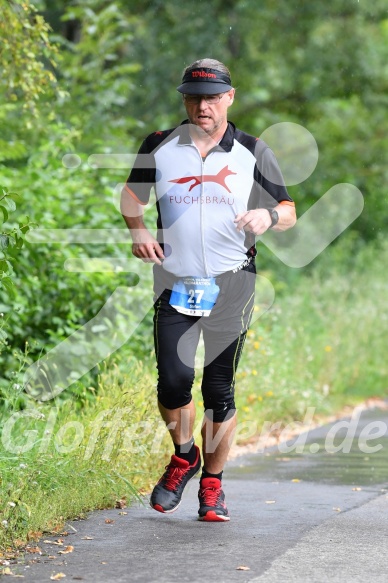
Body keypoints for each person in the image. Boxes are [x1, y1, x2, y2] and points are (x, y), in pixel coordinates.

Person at [121, 58, 296, 522]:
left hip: (233, 283)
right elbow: (131, 195)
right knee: (174, 382)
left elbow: (289, 209)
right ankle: (185, 455)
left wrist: (269, 216)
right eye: (195, 97)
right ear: (184, 98)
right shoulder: (159, 145)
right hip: (175, 283)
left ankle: (213, 486)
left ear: (229, 98)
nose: (203, 106)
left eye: (213, 97)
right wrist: (137, 228)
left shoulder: (253, 151)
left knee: (219, 389)